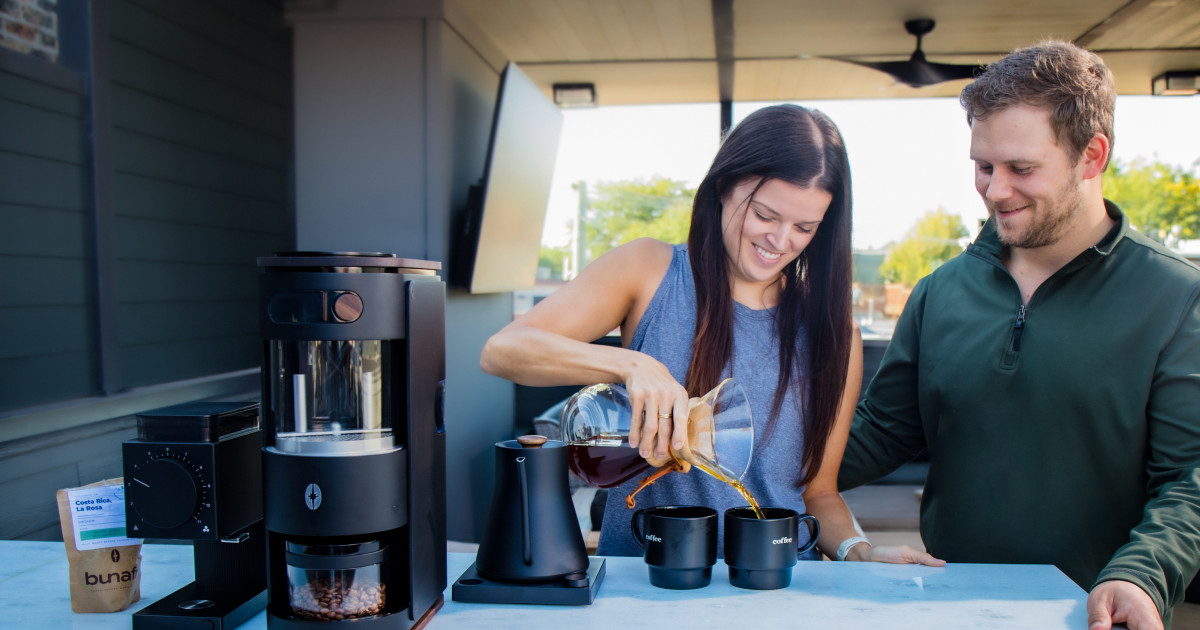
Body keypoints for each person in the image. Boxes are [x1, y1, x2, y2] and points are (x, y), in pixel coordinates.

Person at [837, 40, 1200, 630]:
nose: (994, 190)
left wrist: (1140, 573)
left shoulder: (1177, 296)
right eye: (983, 166)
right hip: (949, 607)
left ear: (1092, 155)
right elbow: (881, 432)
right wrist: (750, 457)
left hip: (1097, 614)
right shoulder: (941, 291)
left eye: (1021, 169)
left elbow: (1191, 479)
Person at [481, 104, 943, 567]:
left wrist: (859, 553)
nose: (780, 241)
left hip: (778, 593)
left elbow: (818, 494)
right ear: (724, 186)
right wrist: (632, 364)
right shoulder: (648, 272)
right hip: (650, 587)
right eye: (765, 214)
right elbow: (502, 351)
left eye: (804, 227)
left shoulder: (836, 334)